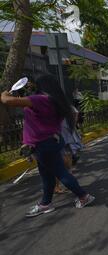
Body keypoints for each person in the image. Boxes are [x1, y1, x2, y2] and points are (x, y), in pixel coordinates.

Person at [1, 74, 95, 217]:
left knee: (60, 173)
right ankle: (46, 203)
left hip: (43, 144)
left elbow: (8, 101)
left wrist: (4, 94)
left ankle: (83, 196)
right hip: (49, 142)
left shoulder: (40, 99)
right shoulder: (54, 101)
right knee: (47, 176)